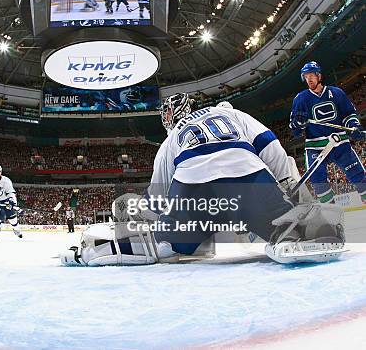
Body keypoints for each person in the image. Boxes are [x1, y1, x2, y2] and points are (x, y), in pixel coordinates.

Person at [60, 93, 345, 266]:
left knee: (166, 246)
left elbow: (158, 198)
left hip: (194, 188)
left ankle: (91, 250)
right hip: (248, 177)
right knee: (287, 227)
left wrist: (154, 222)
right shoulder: (231, 113)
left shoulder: (171, 140)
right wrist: (289, 192)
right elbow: (272, 148)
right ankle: (306, 232)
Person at [290, 61, 365, 203]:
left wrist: (354, 126)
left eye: (311, 75)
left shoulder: (337, 93)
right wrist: (298, 123)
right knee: (318, 181)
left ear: (319, 75)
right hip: (316, 147)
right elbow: (295, 130)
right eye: (306, 77)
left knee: (358, 175)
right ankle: (331, 214)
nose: (309, 79)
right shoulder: (300, 99)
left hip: (340, 142)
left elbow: (349, 115)